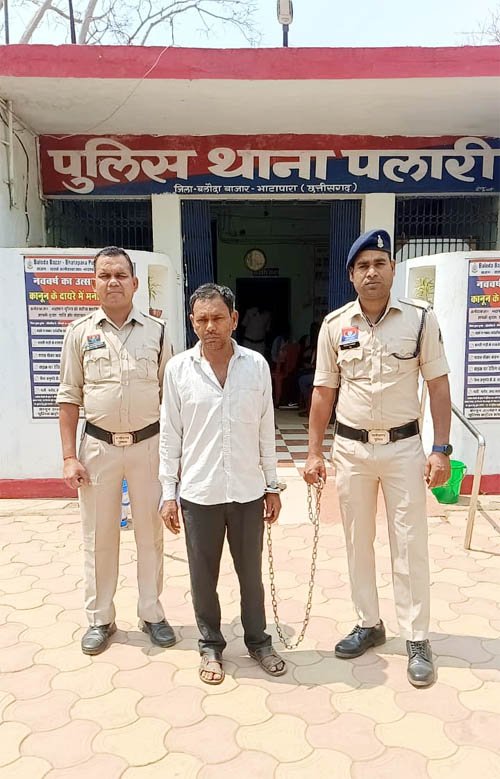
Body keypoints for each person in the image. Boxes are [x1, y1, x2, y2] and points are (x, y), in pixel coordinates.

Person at [304, 229, 452, 688]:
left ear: (392, 269)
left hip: (404, 448)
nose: (372, 272)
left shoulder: (420, 320)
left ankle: (417, 636)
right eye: (363, 266)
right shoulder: (335, 325)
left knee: (409, 542)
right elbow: (323, 391)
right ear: (351, 275)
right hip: (351, 451)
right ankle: (368, 622)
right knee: (357, 540)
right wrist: (314, 452)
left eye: (379, 263)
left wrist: (440, 449)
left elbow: (438, 385)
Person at [159, 283, 286, 685]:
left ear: (234, 319)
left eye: (218, 318)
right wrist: (168, 493)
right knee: (203, 578)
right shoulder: (179, 370)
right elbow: (170, 436)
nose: (210, 326)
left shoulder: (256, 366)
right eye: (202, 319)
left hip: (247, 491)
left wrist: (272, 485)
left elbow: (266, 428)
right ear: (192, 322)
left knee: (251, 576)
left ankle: (259, 641)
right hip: (199, 493)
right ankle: (210, 645)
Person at [57, 246, 176, 656]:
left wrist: (174, 458)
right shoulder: (79, 333)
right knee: (98, 536)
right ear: (94, 284)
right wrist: (69, 456)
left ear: (135, 283)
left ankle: (152, 613)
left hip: (148, 447)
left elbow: (170, 397)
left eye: (120, 275)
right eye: (105, 275)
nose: (113, 282)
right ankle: (100, 618)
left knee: (150, 534)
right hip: (98, 449)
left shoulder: (158, 332)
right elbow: (68, 397)